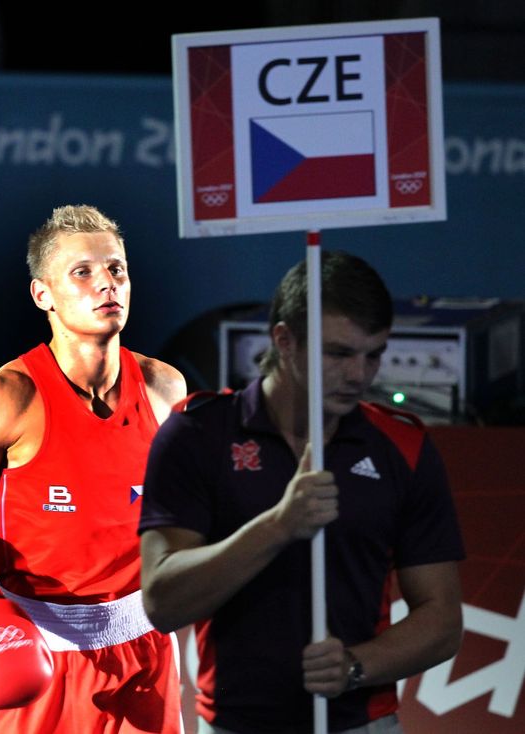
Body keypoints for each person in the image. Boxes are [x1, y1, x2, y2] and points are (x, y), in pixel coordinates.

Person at [138, 251, 465, 734]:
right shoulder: (197, 434)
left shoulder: (402, 446)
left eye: (373, 354)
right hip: (234, 722)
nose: (360, 374)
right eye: (338, 353)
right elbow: (163, 602)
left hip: (359, 723)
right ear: (284, 340)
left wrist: (355, 666)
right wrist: (279, 525)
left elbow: (442, 621)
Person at [0, 204, 187, 734]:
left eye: (116, 269)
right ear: (44, 295)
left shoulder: (164, 389)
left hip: (144, 649)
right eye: (82, 272)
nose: (106, 284)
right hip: (38, 651)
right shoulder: (4, 398)